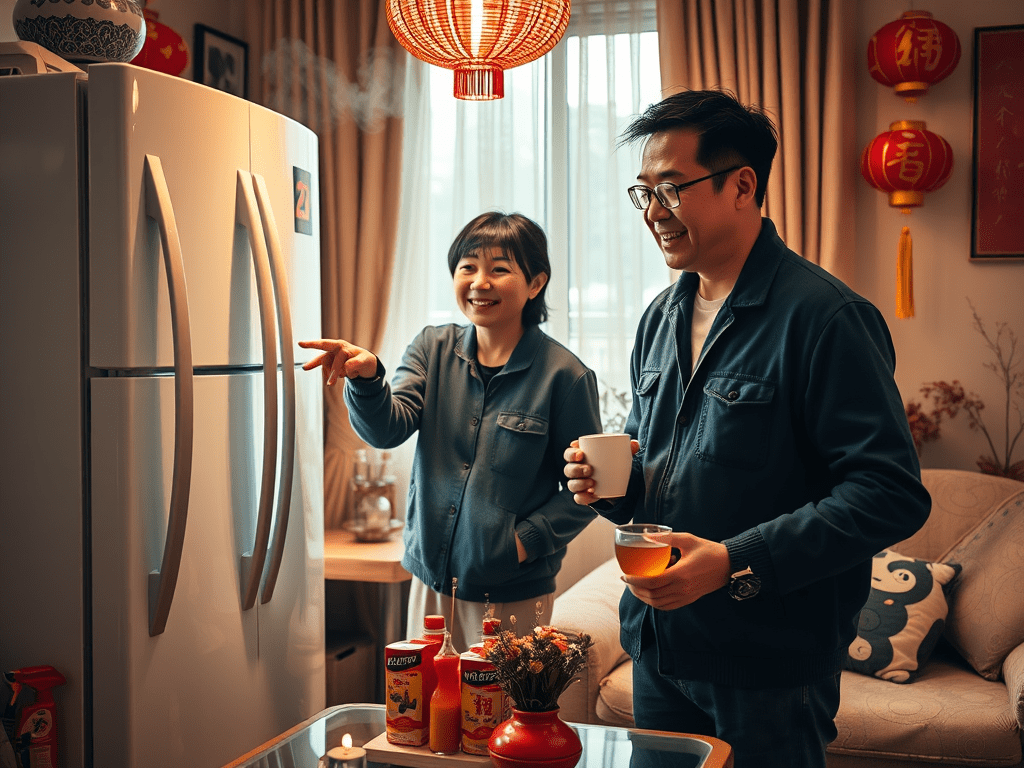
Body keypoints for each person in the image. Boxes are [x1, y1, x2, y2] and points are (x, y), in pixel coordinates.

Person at [562, 89, 931, 767]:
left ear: (742, 185)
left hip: (769, 666)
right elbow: (661, 472)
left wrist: (734, 561)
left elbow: (889, 494)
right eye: (641, 192)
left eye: (670, 189)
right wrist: (610, 488)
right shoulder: (659, 318)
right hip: (659, 644)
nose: (652, 213)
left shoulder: (824, 317)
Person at [301, 211, 603, 652]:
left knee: (501, 717)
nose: (480, 282)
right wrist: (367, 382)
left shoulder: (565, 376)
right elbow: (388, 429)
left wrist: (523, 543)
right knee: (424, 711)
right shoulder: (431, 348)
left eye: (499, 269)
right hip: (430, 581)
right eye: (468, 267)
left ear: (535, 283)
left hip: (514, 593)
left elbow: (589, 489)